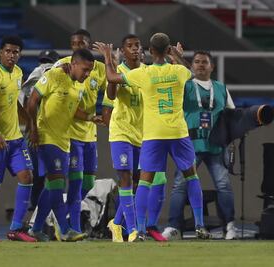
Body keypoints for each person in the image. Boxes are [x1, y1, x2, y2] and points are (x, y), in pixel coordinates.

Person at [94, 32, 211, 240]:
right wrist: (176, 56)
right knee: (191, 176)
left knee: (145, 181)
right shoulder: (178, 71)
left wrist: (106, 57)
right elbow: (191, 72)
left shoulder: (144, 74)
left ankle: (139, 228)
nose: (136, 49)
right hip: (176, 132)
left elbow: (111, 77)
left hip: (152, 134)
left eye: (139, 46)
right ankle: (200, 225)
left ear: (148, 51)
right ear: (168, 50)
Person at [27, 48, 100, 241]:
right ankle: (66, 230)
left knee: (52, 186)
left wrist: (91, 117)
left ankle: (35, 229)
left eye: (90, 71)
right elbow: (32, 101)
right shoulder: (54, 75)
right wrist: (33, 129)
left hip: (64, 139)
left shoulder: (80, 85)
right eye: (84, 69)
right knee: (57, 184)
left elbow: (73, 110)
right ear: (73, 64)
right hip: (46, 136)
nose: (87, 74)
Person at [162, 51, 236, 240]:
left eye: (205, 62)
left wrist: (231, 142)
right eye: (197, 62)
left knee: (224, 185)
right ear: (192, 66)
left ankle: (229, 225)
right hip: (189, 145)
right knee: (179, 185)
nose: (201, 65)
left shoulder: (221, 88)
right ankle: (173, 227)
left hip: (216, 145)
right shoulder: (185, 86)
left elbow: (232, 117)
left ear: (212, 67)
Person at [101, 34, 168, 242]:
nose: (135, 49)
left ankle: (116, 223)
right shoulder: (117, 71)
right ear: (123, 51)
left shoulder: (148, 72)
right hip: (121, 131)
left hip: (144, 134)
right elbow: (111, 96)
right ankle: (133, 230)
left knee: (139, 183)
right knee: (126, 178)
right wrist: (109, 63)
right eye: (129, 46)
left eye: (137, 45)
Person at [0, 35, 35, 242]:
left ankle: (16, 229)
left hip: (15, 139)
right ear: (1, 52)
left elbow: (13, 102)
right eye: (8, 51)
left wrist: (27, 118)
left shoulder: (18, 73)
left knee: (27, 176)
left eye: (16, 52)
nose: (12, 55)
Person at [54, 29, 106, 234]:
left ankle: (60, 216)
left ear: (89, 44)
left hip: (90, 134)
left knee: (88, 182)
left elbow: (112, 89)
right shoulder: (65, 66)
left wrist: (111, 59)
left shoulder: (98, 68)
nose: (78, 46)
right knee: (74, 185)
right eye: (74, 43)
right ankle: (72, 228)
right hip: (71, 133)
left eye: (82, 43)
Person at [19, 49, 60, 209]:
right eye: (43, 61)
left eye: (48, 61)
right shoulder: (36, 77)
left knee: (54, 177)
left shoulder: (60, 79)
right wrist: (30, 128)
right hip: (37, 133)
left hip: (56, 134)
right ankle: (37, 212)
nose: (46, 65)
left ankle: (48, 214)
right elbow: (24, 98)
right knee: (38, 176)